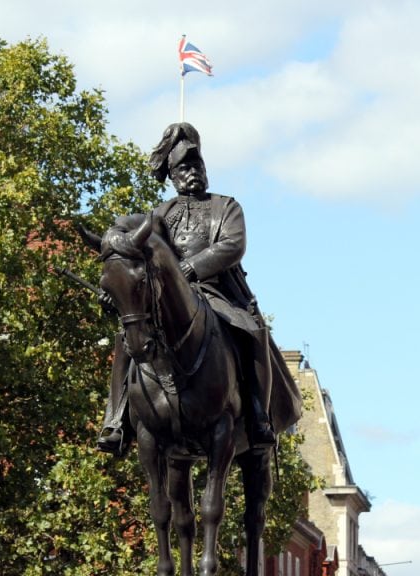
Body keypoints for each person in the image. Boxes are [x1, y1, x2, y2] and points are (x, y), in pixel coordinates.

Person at [97, 122, 298, 453]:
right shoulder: (160, 214)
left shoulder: (226, 206)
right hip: (168, 301)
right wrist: (113, 284)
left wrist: (188, 268)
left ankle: (259, 414)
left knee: (251, 329)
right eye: (183, 168)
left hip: (217, 292)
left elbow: (232, 245)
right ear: (173, 176)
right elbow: (126, 244)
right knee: (127, 338)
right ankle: (116, 420)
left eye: (196, 165)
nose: (192, 172)